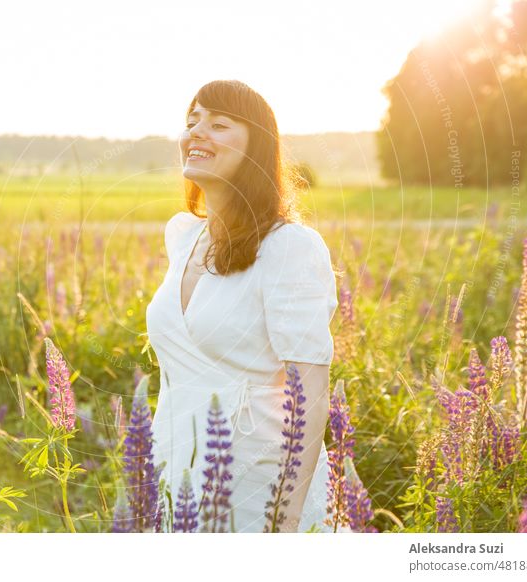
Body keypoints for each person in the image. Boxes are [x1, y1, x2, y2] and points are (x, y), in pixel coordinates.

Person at [145, 80, 342, 533]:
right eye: (191, 121)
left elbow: (308, 392)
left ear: (256, 144)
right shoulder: (183, 237)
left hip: (258, 483)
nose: (196, 132)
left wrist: (285, 516)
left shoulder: (289, 246)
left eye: (217, 124)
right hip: (173, 469)